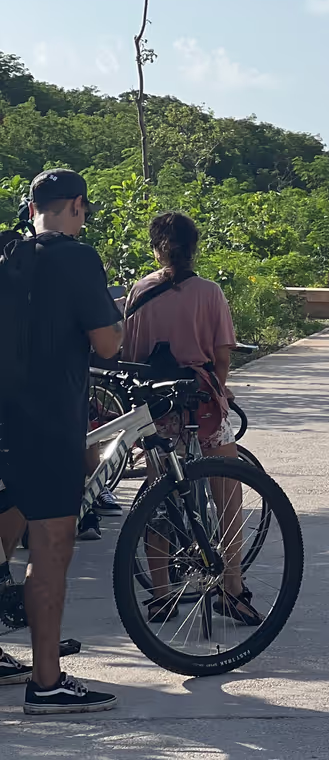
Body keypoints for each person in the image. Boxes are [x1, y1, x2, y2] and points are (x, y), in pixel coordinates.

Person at [0, 169, 121, 713]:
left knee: (5, 529)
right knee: (51, 546)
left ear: (31, 209)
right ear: (76, 205)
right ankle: (46, 683)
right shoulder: (76, 257)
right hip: (47, 422)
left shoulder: (7, 254)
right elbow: (108, 344)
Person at [123, 212, 261, 625]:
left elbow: (131, 357)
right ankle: (232, 586)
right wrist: (220, 389)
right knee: (228, 487)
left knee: (159, 494)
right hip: (202, 403)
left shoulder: (139, 291)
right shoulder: (209, 292)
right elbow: (222, 358)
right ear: (194, 248)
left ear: (156, 249)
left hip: (159, 408)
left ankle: (161, 595)